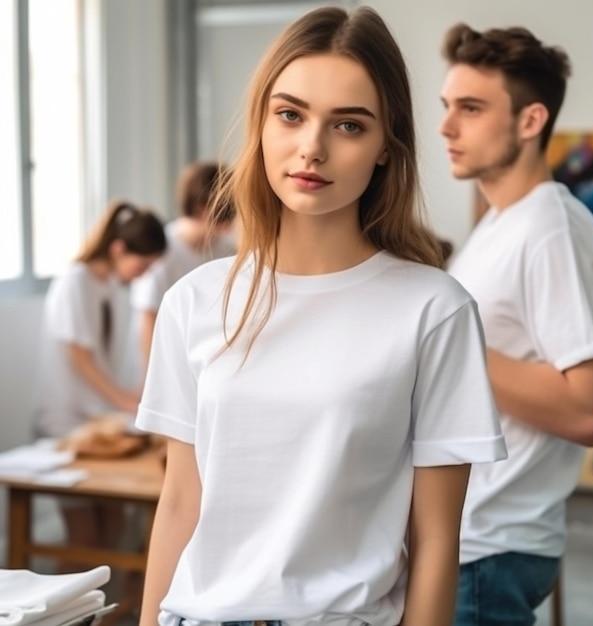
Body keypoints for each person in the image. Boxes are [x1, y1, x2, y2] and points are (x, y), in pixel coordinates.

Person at [136, 7, 506, 626]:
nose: (312, 148)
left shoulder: (433, 311)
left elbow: (437, 539)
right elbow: (179, 502)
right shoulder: (193, 302)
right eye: (290, 114)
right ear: (261, 125)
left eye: (349, 126)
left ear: (386, 147)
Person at [438, 23, 593, 626]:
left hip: (489, 549)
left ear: (529, 120)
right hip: (465, 538)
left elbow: (591, 409)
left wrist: (445, 345)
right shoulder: (499, 225)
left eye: (470, 108)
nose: (446, 126)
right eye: (448, 107)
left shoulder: (552, 230)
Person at [33, 200, 166, 563]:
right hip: (63, 424)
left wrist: (127, 397)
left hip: (93, 419)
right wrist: (123, 400)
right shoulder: (76, 281)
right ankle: (69, 617)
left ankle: (105, 614)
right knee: (86, 537)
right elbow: (79, 355)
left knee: (114, 525)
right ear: (118, 248)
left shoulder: (105, 286)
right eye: (141, 266)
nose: (141, 276)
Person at [130, 160, 237, 374]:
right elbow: (148, 319)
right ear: (202, 209)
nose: (233, 218)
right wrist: (152, 376)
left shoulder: (226, 249)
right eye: (226, 208)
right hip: (159, 361)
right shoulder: (163, 253)